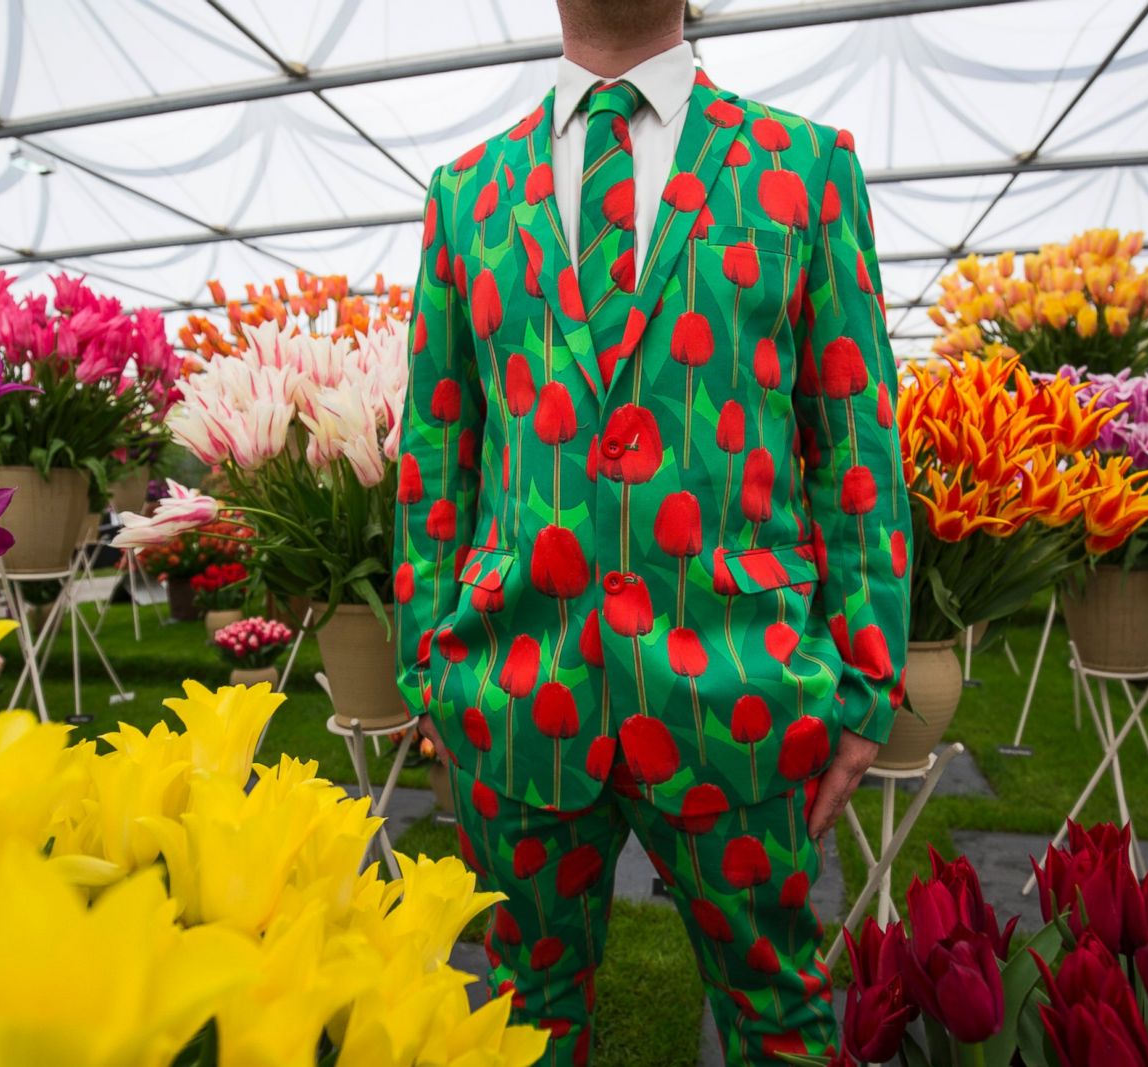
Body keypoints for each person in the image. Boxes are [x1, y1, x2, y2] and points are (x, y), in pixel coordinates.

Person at [393, 0, 909, 1062]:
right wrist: (425, 667)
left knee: (783, 1019)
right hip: (513, 695)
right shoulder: (468, 193)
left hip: (744, 695)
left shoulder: (804, 167)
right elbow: (436, 450)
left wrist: (865, 683)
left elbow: (853, 443)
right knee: (523, 1026)